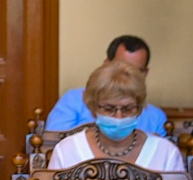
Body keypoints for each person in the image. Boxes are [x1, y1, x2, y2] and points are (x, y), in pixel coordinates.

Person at [48, 60, 185, 171]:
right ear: (94, 108)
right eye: (109, 109)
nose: (119, 117)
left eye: (128, 109)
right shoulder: (66, 151)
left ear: (139, 108)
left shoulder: (166, 153)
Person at [45, 35, 167, 136]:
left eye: (136, 70)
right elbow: (52, 142)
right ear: (106, 65)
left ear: (145, 74)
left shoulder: (156, 117)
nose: (127, 75)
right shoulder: (72, 100)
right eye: (120, 67)